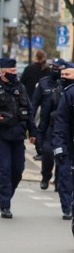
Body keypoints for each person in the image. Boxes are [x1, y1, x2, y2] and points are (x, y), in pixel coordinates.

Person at [0, 57, 37, 219]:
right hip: (1, 135)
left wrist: (33, 132)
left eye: (15, 71)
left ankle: (7, 195)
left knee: (18, 170)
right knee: (4, 170)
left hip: (18, 135)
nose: (15, 73)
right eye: (11, 71)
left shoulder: (21, 87)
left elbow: (29, 110)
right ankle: (5, 205)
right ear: (3, 71)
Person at [32, 58, 67, 190]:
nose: (54, 69)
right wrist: (31, 124)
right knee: (47, 152)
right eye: (53, 66)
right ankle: (45, 176)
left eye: (57, 67)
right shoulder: (43, 83)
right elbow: (34, 104)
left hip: (63, 125)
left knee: (61, 154)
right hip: (47, 125)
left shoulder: (66, 84)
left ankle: (58, 180)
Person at [49, 63, 74, 220]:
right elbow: (61, 122)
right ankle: (68, 208)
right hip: (69, 145)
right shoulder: (70, 94)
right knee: (66, 177)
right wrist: (59, 146)